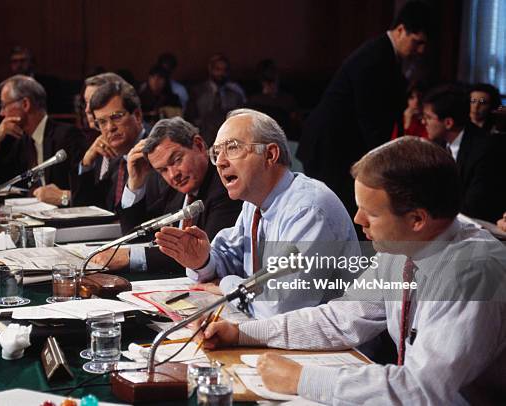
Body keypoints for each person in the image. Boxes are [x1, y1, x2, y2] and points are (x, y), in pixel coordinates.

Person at [200, 136, 506, 405]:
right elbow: (340, 318)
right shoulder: (405, 245)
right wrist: (242, 332)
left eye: (371, 213)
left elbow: (422, 391)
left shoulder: (472, 273)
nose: (358, 219)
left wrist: (303, 379)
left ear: (417, 219)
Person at [155, 109, 359, 318]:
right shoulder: (253, 204)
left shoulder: (308, 209)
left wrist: (226, 284)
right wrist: (202, 261)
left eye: (232, 148)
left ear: (270, 155)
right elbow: (228, 258)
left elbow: (278, 307)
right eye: (216, 153)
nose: (221, 162)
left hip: (331, 346)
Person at [296, 1, 432, 219]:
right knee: (335, 216)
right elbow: (371, 118)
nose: (421, 50)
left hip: (341, 146)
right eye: (417, 42)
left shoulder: (387, 55)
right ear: (400, 30)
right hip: (330, 149)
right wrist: (388, 163)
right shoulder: (375, 57)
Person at [90, 117, 241, 273]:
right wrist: (135, 183)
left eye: (176, 160)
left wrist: (131, 256)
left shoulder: (224, 188)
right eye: (162, 170)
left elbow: (201, 253)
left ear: (199, 145)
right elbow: (138, 236)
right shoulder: (176, 191)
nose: (172, 175)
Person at [0, 75, 86, 205]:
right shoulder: (23, 141)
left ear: (25, 104)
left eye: (4, 105)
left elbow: (85, 191)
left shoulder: (68, 137)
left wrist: (64, 198)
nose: (1, 113)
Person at [422, 84, 505, 222]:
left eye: (429, 117)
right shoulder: (438, 143)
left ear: (448, 123)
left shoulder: (486, 150)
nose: (423, 122)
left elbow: (474, 206)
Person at [72, 74, 146, 210]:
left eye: (117, 117)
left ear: (137, 115)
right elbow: (86, 208)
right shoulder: (112, 152)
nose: (110, 128)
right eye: (102, 122)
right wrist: (87, 163)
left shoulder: (156, 152)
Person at [186, 53, 246, 146]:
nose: (221, 74)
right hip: (203, 136)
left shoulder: (235, 94)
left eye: (224, 70)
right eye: (218, 69)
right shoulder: (197, 91)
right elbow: (191, 118)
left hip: (229, 137)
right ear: (210, 70)